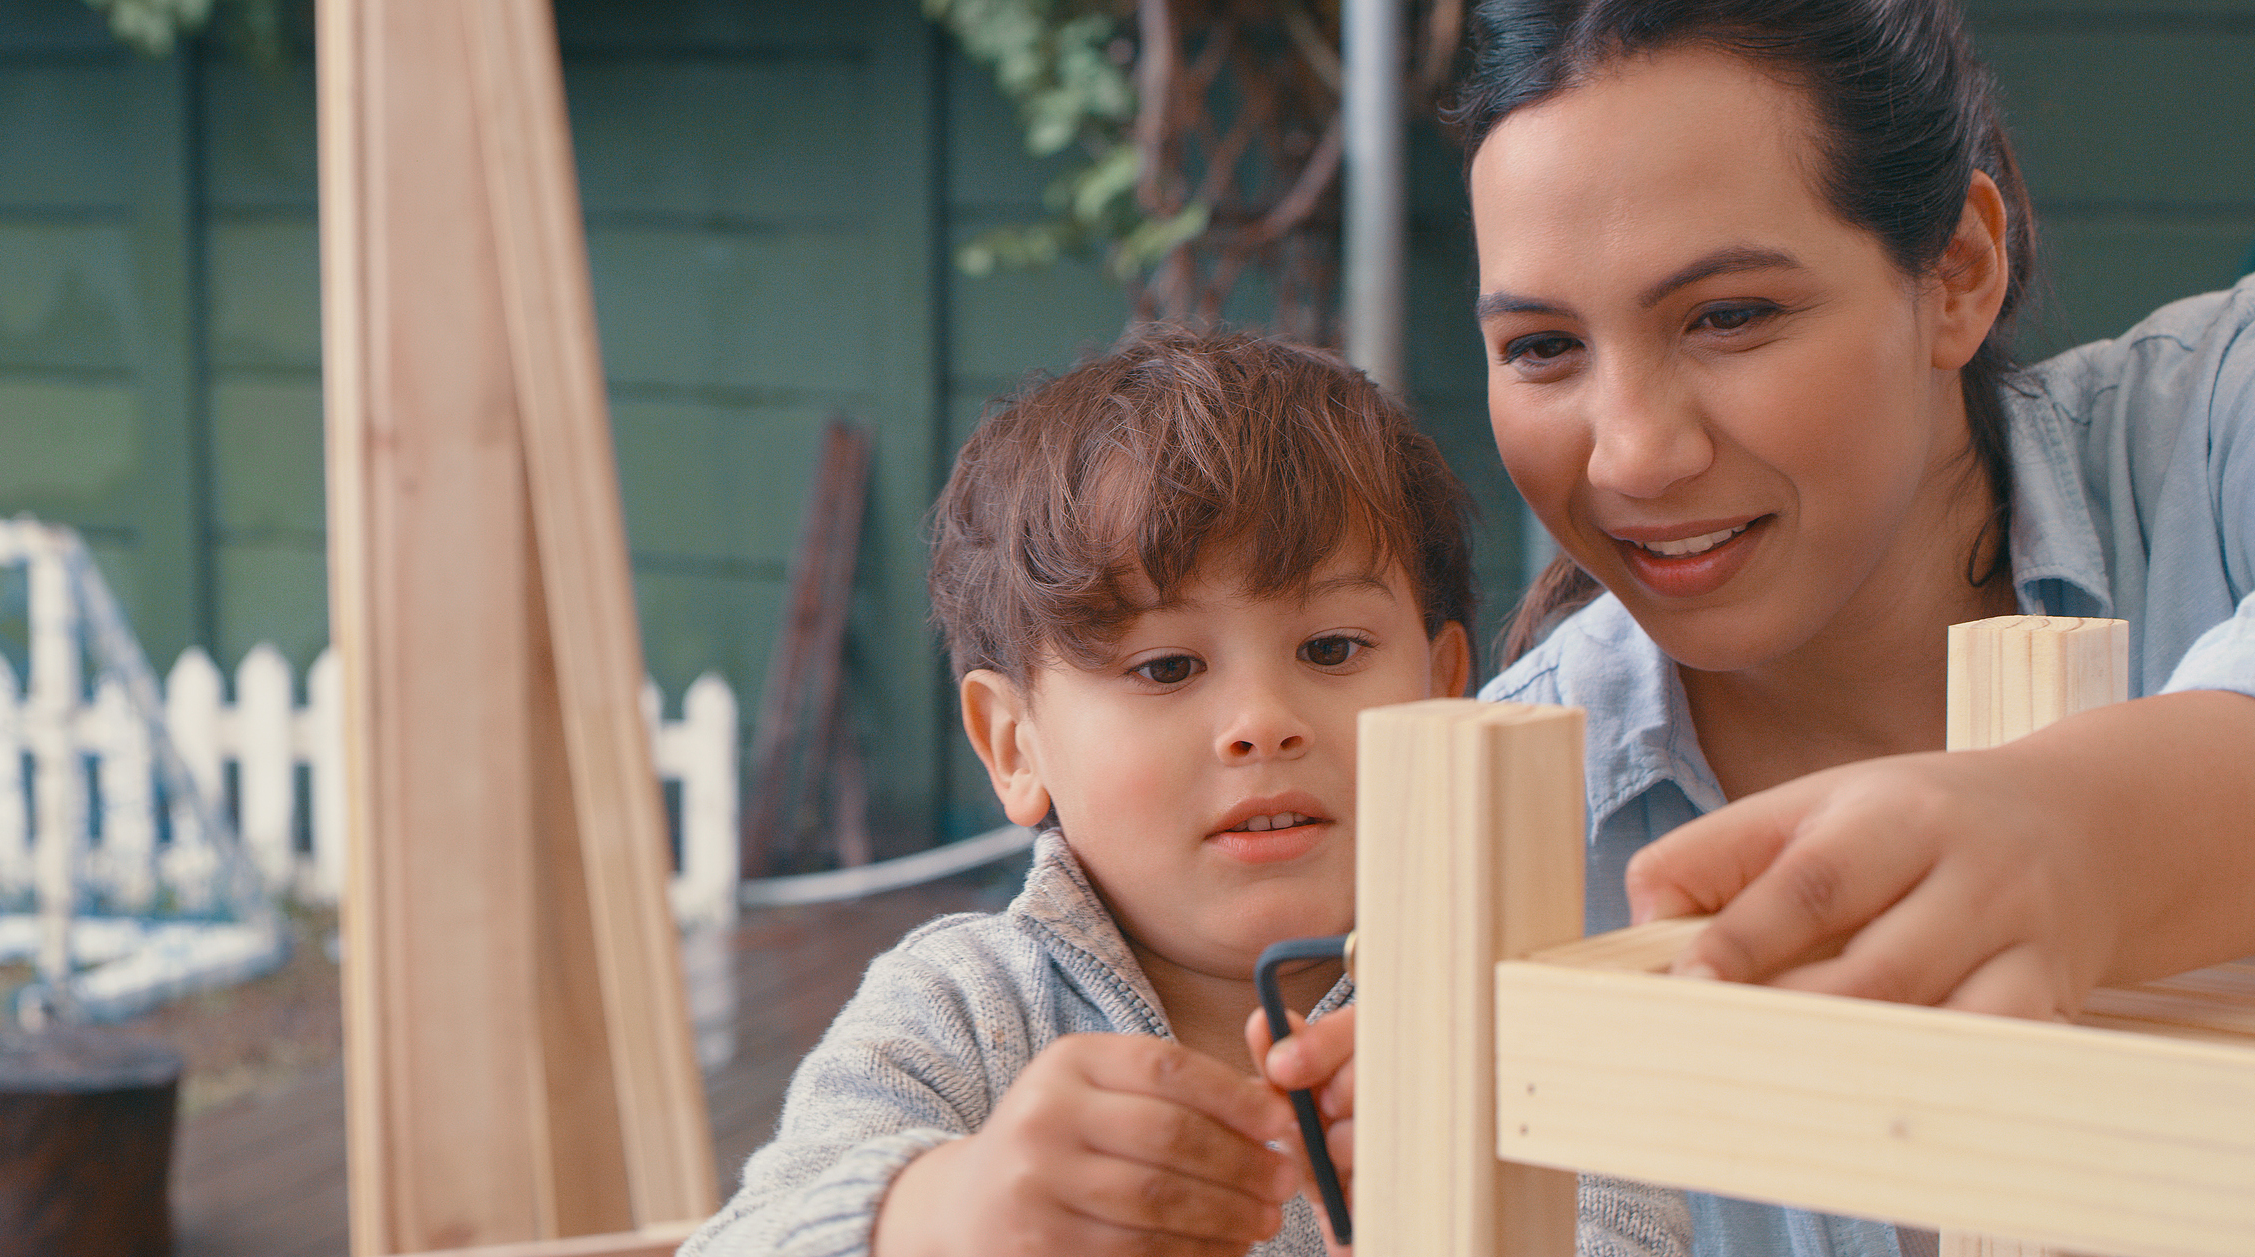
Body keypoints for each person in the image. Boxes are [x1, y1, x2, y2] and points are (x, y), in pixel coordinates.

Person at [1256, 2, 2255, 1254]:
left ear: (1954, 274)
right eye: (1543, 346)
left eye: (1728, 315)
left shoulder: (2212, 427)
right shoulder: (1502, 852)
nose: (1632, 455)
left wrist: (2079, 832)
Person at [680, 327, 1500, 1257]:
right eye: (1166, 666)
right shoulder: (962, 1009)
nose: (1265, 721)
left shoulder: (1511, 1011)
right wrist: (945, 1214)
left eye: (1331, 648)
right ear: (1013, 744)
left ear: (1443, 691)